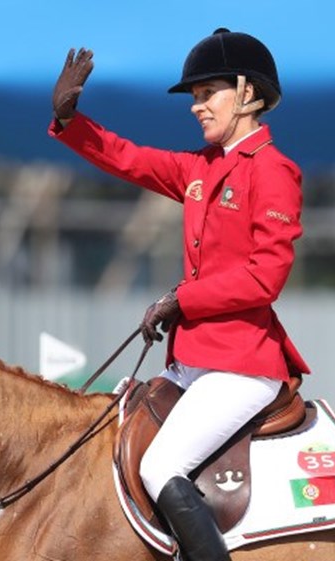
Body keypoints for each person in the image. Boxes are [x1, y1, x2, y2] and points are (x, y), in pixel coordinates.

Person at [49, 28, 310, 561]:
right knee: (112, 441)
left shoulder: (274, 171)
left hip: (242, 365)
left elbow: (267, 277)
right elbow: (129, 158)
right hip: (190, 362)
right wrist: (73, 123)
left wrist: (181, 302)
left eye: (206, 92)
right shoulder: (200, 168)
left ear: (247, 92)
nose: (196, 107)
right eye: (193, 97)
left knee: (159, 466)